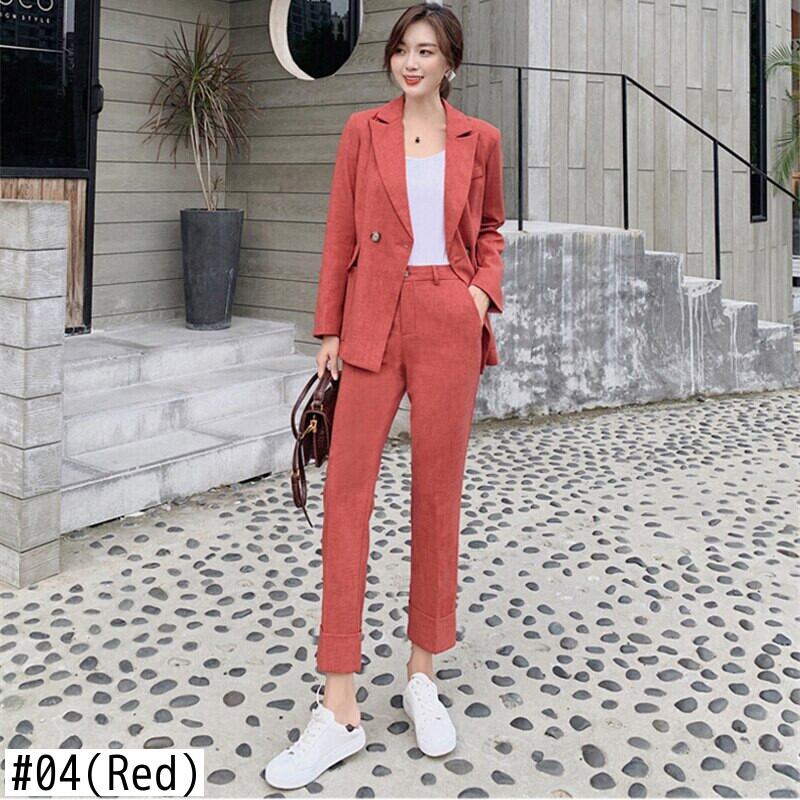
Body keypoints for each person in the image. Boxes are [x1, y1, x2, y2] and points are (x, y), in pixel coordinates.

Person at [264, 2, 505, 790]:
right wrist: (330, 328)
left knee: (437, 495)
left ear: (449, 62)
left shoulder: (481, 139)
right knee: (347, 499)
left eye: (426, 50)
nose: (411, 61)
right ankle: (338, 707)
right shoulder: (360, 131)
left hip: (447, 316)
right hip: (371, 317)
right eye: (403, 48)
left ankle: (422, 674)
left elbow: (492, 230)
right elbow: (339, 229)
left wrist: (478, 296)